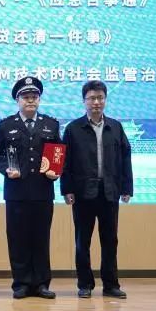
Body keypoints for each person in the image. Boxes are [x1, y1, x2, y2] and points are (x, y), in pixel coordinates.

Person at [0, 77, 61, 300]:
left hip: (42, 191)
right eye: (26, 97)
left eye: (34, 97)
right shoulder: (5, 125)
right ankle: (20, 283)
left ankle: (41, 284)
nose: (30, 100)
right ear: (17, 100)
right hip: (16, 192)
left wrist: (56, 170)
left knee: (41, 238)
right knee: (18, 238)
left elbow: (58, 153)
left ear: (39, 99)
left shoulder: (51, 124)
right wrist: (6, 169)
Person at [61, 80, 133, 299]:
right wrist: (67, 189)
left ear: (105, 100)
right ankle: (85, 284)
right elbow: (66, 162)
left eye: (100, 98)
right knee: (82, 241)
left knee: (110, 240)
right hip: (83, 193)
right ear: (84, 101)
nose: (96, 102)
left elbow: (125, 158)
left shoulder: (116, 127)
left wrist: (127, 187)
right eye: (92, 98)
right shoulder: (73, 129)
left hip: (110, 191)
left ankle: (111, 285)